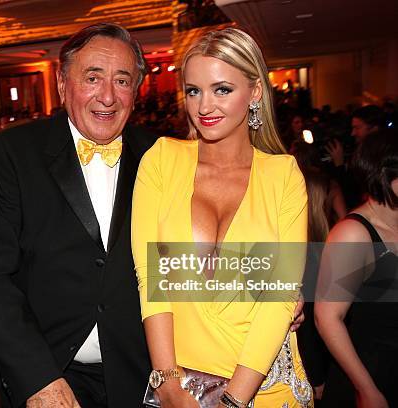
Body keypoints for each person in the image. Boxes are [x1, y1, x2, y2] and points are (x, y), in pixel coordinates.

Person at [0, 23, 156, 408]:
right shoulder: (15, 153)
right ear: (62, 84)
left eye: (122, 81)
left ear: (136, 91)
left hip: (143, 374)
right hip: (52, 371)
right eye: (92, 77)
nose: (107, 96)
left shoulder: (161, 155)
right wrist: (38, 378)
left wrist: (279, 292)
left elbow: (194, 254)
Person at [131, 28, 312, 407]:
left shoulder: (283, 175)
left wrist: (233, 401)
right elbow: (152, 279)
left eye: (222, 89)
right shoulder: (162, 161)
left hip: (264, 387)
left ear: (255, 92)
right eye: (194, 90)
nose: (204, 106)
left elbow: (277, 300)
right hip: (182, 387)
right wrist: (167, 384)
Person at [314, 129, 397, 407]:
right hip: (371, 373)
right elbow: (327, 318)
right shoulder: (353, 233)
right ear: (385, 173)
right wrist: (367, 390)